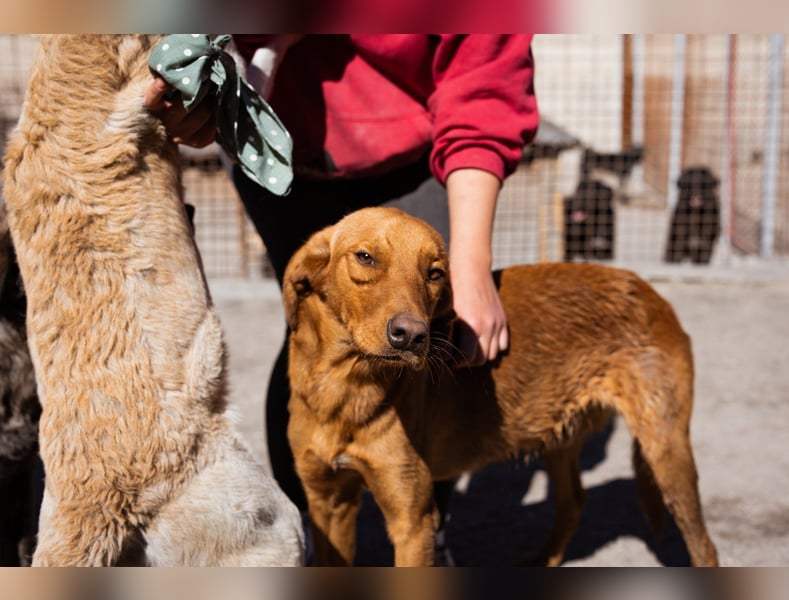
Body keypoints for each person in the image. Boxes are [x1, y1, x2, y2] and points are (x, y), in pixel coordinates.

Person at [146, 34, 538, 563]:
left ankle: (422, 522)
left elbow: (485, 76)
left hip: (421, 147)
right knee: (309, 331)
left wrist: (468, 266)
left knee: (424, 336)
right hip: (274, 136)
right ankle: (317, 525)